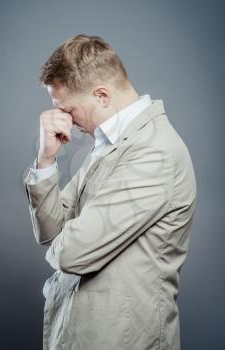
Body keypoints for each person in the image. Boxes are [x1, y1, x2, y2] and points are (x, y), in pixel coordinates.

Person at [23, 33, 197, 350]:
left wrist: (66, 239)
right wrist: (47, 158)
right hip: (80, 333)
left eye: (68, 109)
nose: (64, 121)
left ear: (102, 95)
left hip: (121, 341)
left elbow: (69, 253)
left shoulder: (154, 153)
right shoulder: (110, 144)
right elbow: (51, 231)